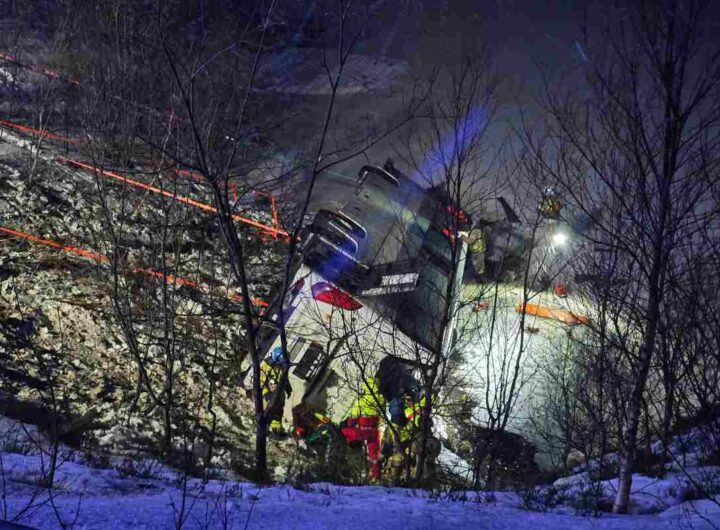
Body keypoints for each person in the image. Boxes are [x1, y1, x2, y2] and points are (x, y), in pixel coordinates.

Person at [340, 378, 386, 481]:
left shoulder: (361, 400)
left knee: (343, 433)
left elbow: (352, 420)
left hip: (362, 431)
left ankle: (350, 460)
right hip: (375, 431)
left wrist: (349, 426)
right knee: (374, 454)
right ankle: (376, 477)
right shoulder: (381, 399)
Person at [260, 347, 292, 436]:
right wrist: (267, 394)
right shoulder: (266, 367)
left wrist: (288, 388)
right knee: (272, 412)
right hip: (271, 395)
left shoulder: (281, 366)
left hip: (279, 394)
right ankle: (270, 430)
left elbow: (284, 378)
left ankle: (277, 429)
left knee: (279, 411)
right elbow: (261, 382)